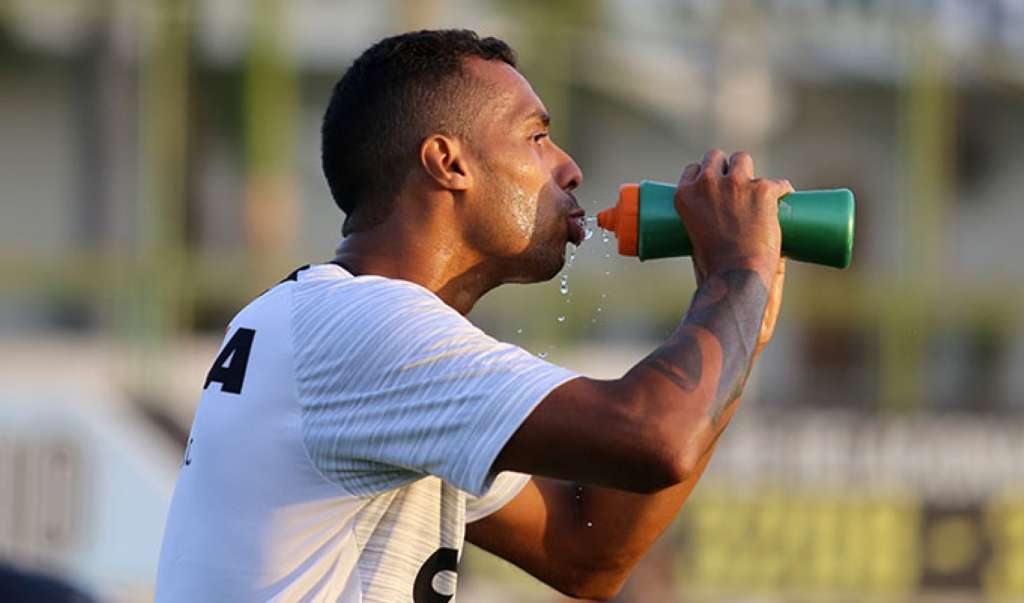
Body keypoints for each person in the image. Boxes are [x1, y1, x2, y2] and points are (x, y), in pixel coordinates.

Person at [155, 29, 792, 602]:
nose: (569, 167)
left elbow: (585, 554)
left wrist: (742, 321)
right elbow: (657, 437)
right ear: (448, 162)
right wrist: (740, 273)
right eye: (537, 137)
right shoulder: (366, 325)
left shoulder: (331, 323)